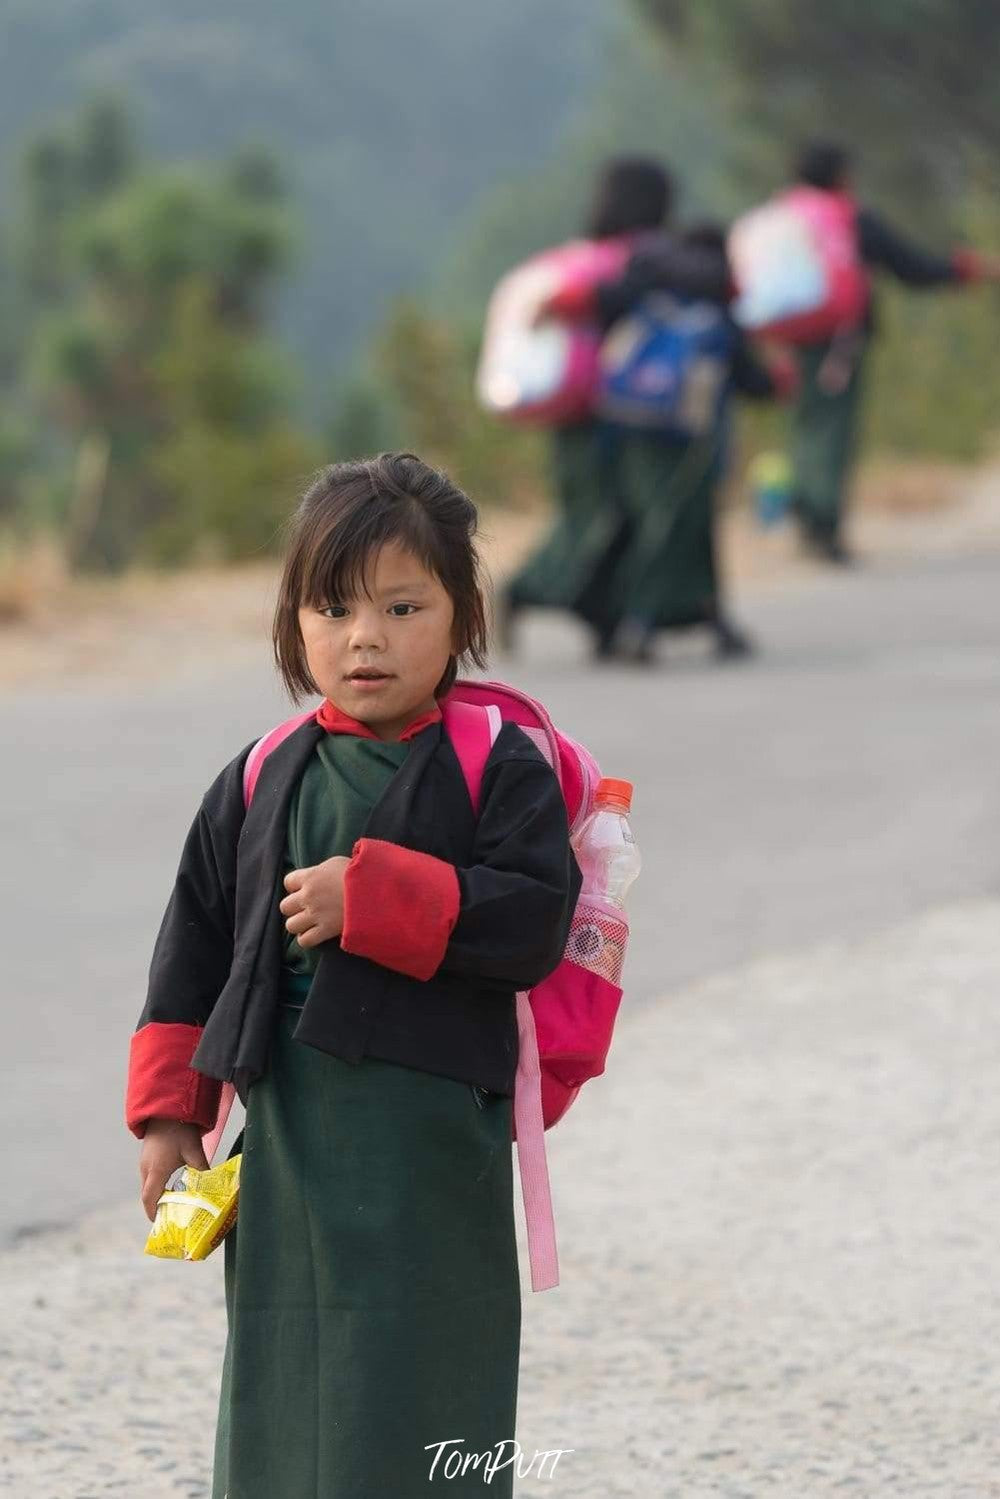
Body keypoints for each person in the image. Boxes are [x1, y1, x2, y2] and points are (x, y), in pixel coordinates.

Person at [125, 452, 581, 1499]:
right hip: (288, 1130)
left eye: (402, 605)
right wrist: (168, 1114)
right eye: (329, 608)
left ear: (465, 614)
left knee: (428, 1366)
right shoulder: (260, 771)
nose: (363, 636)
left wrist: (370, 900)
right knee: (289, 1367)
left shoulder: (496, 762)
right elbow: (192, 946)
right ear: (292, 623)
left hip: (431, 1138)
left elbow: (528, 920)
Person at [499, 155, 732, 657]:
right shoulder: (647, 257)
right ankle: (534, 593)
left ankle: (607, 616)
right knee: (621, 518)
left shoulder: (587, 262)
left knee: (608, 518)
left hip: (585, 412)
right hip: (635, 416)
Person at [587, 222, 795, 664]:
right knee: (678, 527)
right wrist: (779, 378)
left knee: (662, 524)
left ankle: (707, 620)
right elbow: (752, 381)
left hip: (629, 430)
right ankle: (640, 623)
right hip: (692, 440)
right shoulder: (714, 309)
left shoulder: (646, 294)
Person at [784, 140, 1000, 563]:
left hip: (790, 341)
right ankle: (824, 529)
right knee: (833, 429)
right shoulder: (852, 219)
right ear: (841, 176)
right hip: (840, 342)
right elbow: (912, 267)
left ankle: (806, 518)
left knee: (806, 424)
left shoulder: (785, 217)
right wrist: (968, 268)